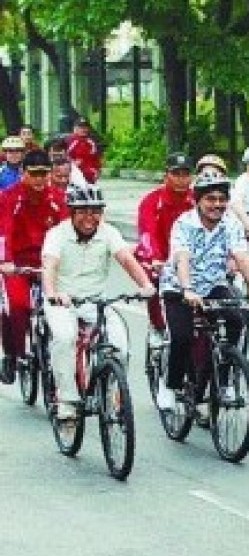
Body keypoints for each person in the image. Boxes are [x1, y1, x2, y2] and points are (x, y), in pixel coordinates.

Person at [156, 173, 249, 411]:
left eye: (222, 199)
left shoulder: (232, 224)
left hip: (213, 285)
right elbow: (182, 258)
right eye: (210, 199)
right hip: (179, 287)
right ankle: (170, 385)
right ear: (198, 200)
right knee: (182, 337)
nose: (217, 204)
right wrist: (187, 289)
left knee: (237, 320)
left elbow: (242, 258)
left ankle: (225, 381)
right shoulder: (184, 224)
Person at [41, 185, 155, 420]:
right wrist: (53, 293)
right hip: (63, 301)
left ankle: (113, 393)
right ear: (71, 212)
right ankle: (67, 399)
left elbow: (126, 259)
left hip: (96, 301)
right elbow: (49, 266)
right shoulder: (57, 235)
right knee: (64, 338)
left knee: (120, 344)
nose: (89, 218)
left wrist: (145, 285)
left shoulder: (109, 232)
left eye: (95, 211)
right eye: (82, 211)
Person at [0, 150, 69, 384]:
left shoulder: (58, 198)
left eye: (44, 174)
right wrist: (5, 262)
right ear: (23, 173)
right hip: (17, 265)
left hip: (49, 264)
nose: (39, 179)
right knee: (17, 306)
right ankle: (14, 354)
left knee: (66, 305)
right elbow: (4, 233)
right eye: (34, 174)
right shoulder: (9, 198)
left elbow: (68, 232)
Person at [135, 152, 195, 348]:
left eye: (185, 174)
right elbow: (147, 233)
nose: (181, 179)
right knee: (152, 282)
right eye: (175, 174)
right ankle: (157, 326)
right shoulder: (151, 201)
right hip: (160, 258)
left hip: (190, 260)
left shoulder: (198, 200)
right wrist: (155, 259)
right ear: (166, 176)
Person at [66, 117, 102, 184]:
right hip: (75, 176)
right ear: (75, 128)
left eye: (85, 127)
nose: (84, 130)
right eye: (81, 127)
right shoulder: (70, 141)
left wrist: (98, 171)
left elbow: (96, 159)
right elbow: (65, 156)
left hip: (90, 177)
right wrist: (73, 163)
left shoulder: (91, 142)